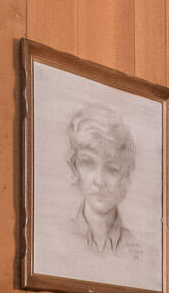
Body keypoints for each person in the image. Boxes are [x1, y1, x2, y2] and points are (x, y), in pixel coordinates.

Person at [61, 105, 145, 262]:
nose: (99, 181)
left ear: (125, 175)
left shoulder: (138, 250)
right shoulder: (58, 237)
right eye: (88, 163)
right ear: (74, 167)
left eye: (112, 169)